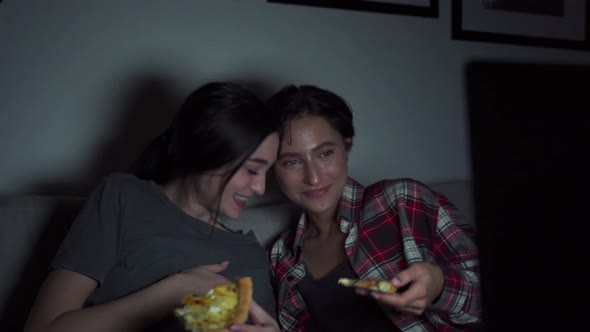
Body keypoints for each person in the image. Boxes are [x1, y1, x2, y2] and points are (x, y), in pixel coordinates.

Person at [24, 82, 280, 332]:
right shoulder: (122, 198)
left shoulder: (250, 254)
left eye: (266, 172)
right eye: (252, 170)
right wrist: (175, 290)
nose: (260, 188)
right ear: (208, 150)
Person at [267, 85, 481, 331]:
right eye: (292, 162)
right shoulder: (281, 256)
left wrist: (440, 286)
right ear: (272, 167)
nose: (313, 178)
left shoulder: (403, 201)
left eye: (325, 153)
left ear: (347, 147)